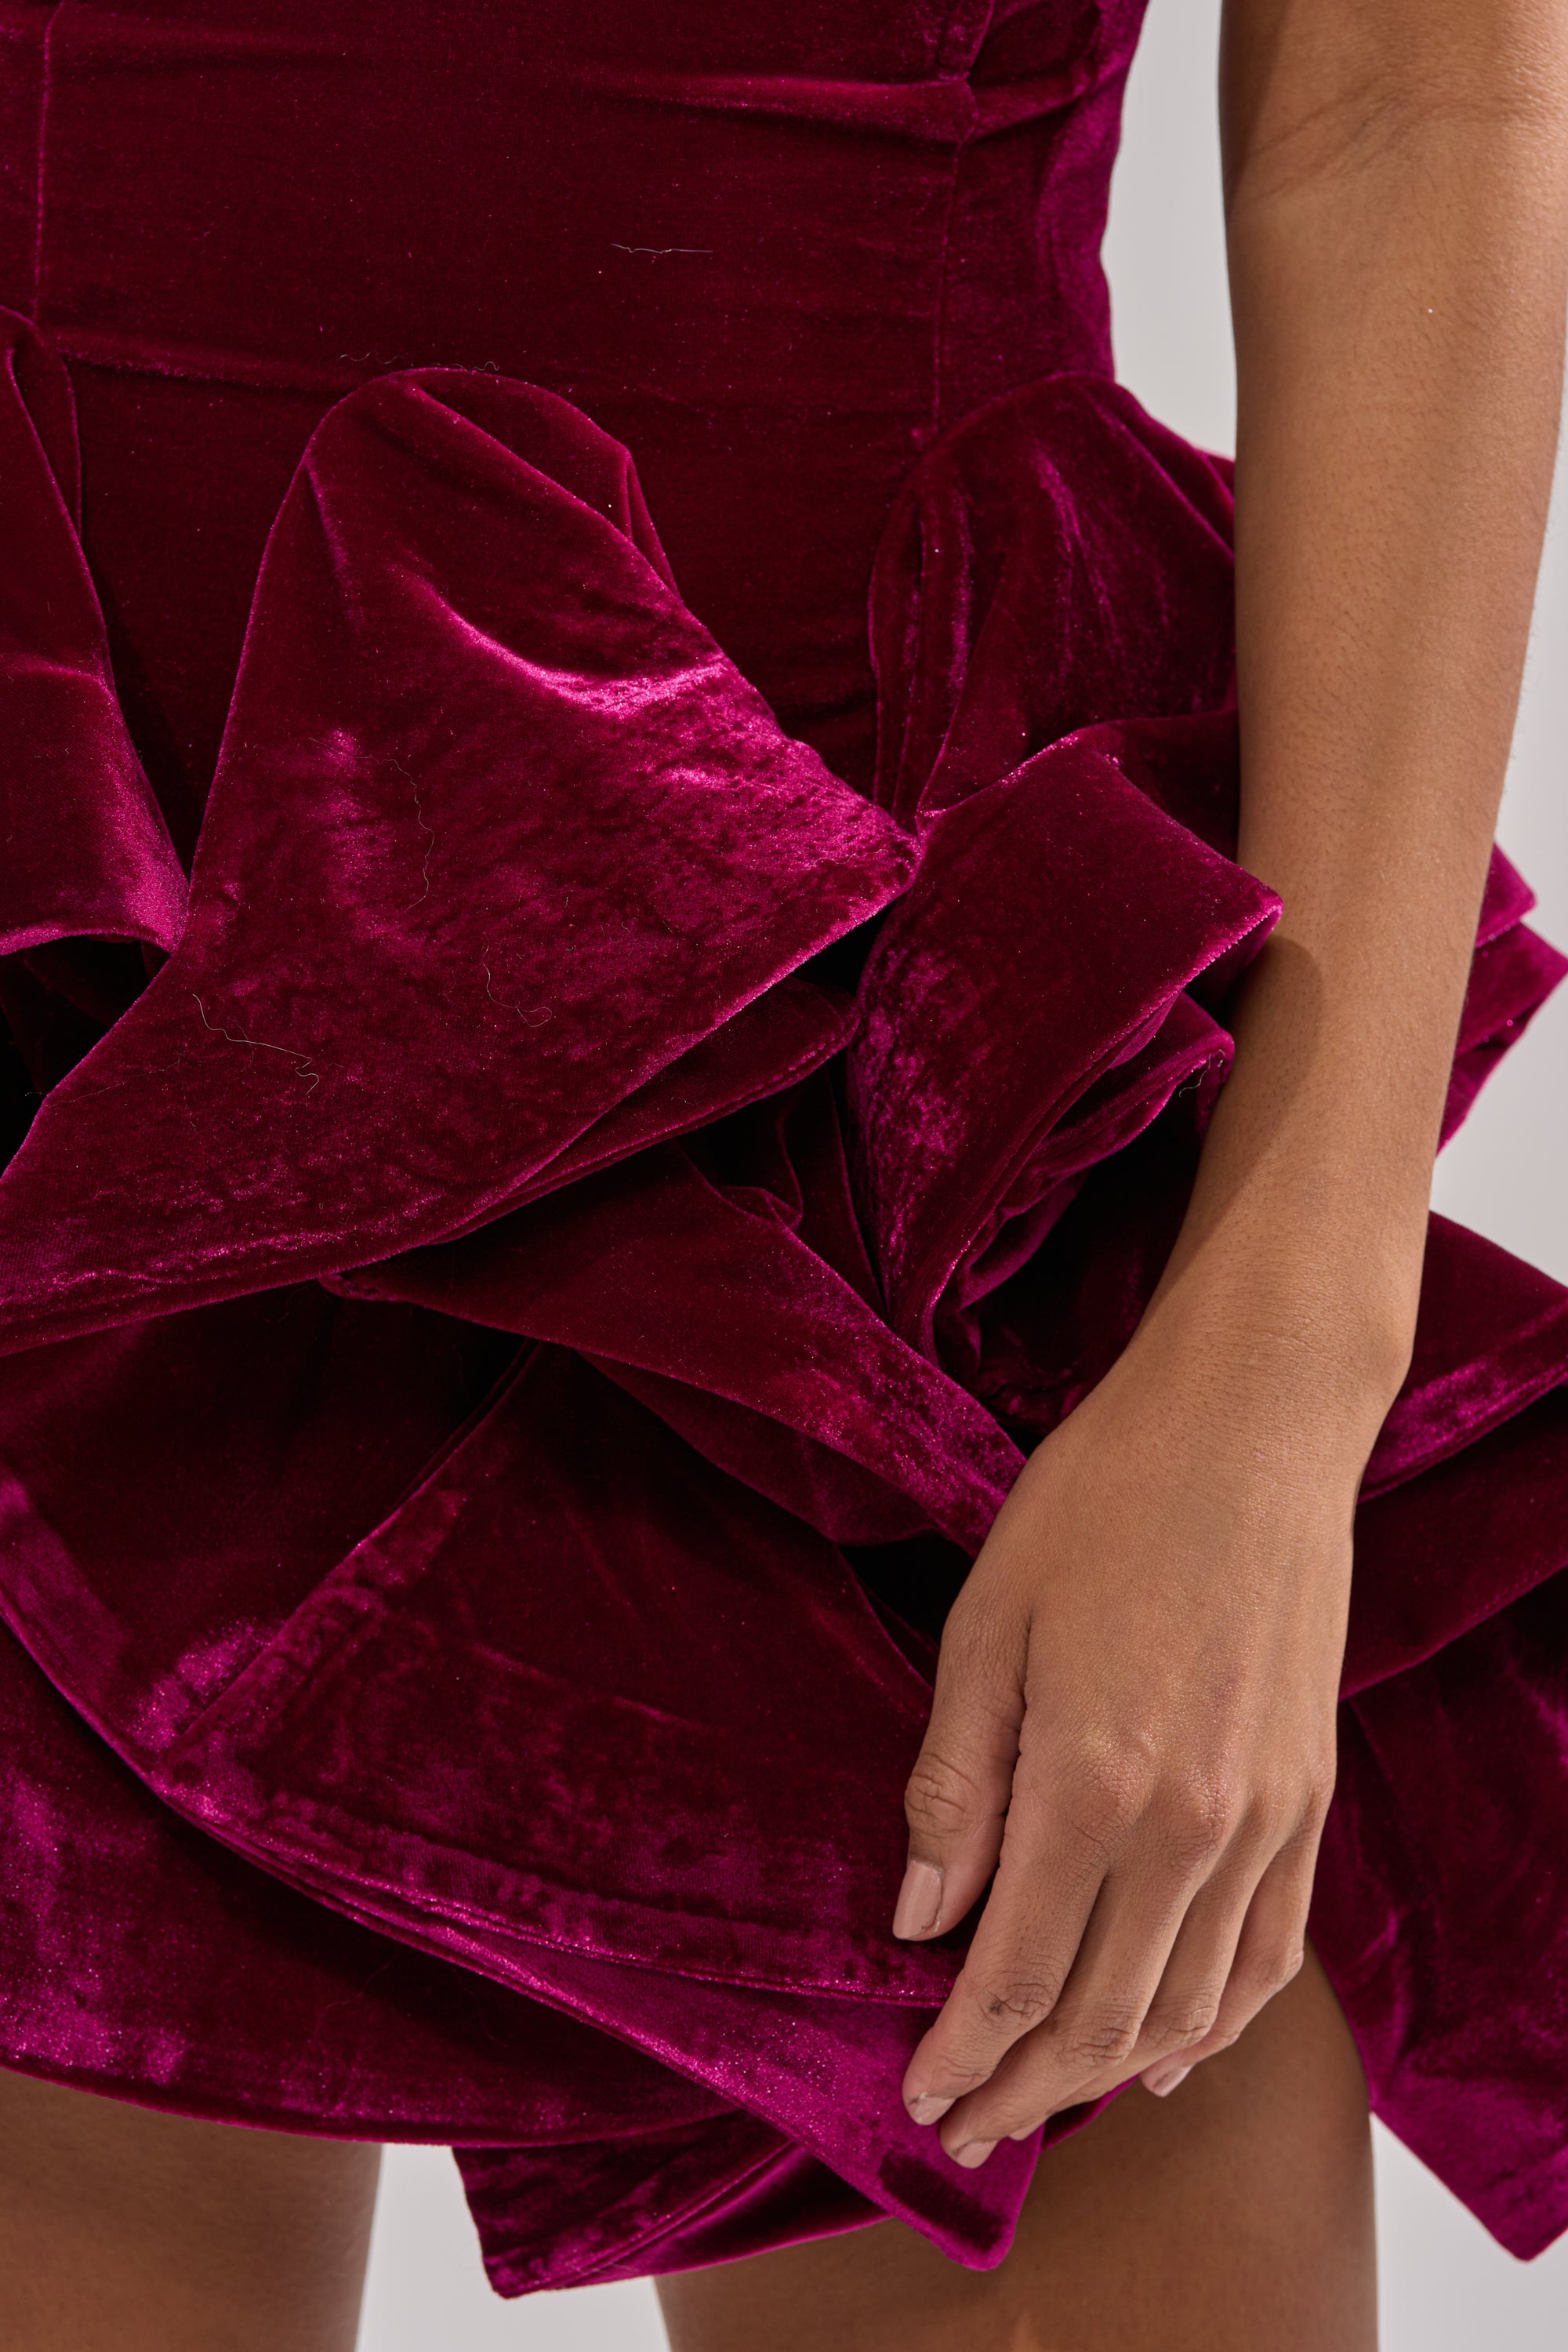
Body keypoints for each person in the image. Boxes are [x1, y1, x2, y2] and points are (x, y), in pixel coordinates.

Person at [1, 0, 1566, 2346]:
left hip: (895, 1071)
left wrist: (1272, 1366)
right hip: (60, 945)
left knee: (1048, 2025)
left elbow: (1414, 92)